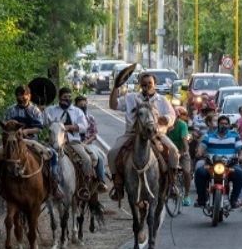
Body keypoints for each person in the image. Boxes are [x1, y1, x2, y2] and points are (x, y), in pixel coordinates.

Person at [0, 85, 63, 201]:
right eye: (19, 95)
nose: (21, 98)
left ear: (29, 96)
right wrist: (11, 133)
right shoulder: (10, 110)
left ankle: (54, 184)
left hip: (30, 140)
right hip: (12, 141)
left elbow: (39, 128)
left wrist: (25, 131)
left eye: (24, 95)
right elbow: (4, 127)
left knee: (53, 155)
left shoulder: (35, 110)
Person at [108, 72, 179, 201]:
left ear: (155, 84)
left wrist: (165, 119)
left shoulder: (162, 100)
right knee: (112, 153)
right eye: (144, 84)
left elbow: (172, 116)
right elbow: (113, 105)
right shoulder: (131, 98)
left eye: (149, 84)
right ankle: (117, 185)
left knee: (173, 151)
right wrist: (115, 88)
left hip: (156, 134)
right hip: (132, 134)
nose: (146, 86)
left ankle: (172, 184)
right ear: (140, 85)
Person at [43, 87, 95, 190]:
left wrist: (69, 127)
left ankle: (84, 186)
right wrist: (41, 110)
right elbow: (43, 123)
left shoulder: (77, 111)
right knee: (40, 158)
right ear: (59, 98)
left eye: (69, 97)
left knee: (87, 159)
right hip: (54, 142)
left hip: (73, 141)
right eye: (65, 97)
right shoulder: (50, 110)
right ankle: (43, 186)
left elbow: (84, 127)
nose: (67, 99)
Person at [194, 115, 242, 210]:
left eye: (226, 124)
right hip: (211, 165)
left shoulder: (234, 135)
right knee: (199, 172)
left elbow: (241, 149)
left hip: (230, 165)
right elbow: (202, 146)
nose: (224, 125)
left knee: (240, 174)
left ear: (229, 125)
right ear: (218, 124)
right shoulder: (209, 135)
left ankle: (233, 200)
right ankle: (201, 199)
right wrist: (199, 152)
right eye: (222, 123)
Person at [74, 95, 108, 192]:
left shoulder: (90, 118)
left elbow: (94, 134)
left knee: (100, 157)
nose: (83, 107)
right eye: (80, 105)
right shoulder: (73, 118)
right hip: (74, 142)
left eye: (85, 105)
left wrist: (85, 142)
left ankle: (101, 181)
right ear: (76, 106)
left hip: (88, 144)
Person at [168, 106, 192, 206]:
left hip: (182, 151)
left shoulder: (182, 125)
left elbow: (184, 140)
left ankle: (186, 195)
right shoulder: (166, 125)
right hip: (169, 152)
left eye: (177, 117)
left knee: (186, 171)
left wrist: (185, 151)